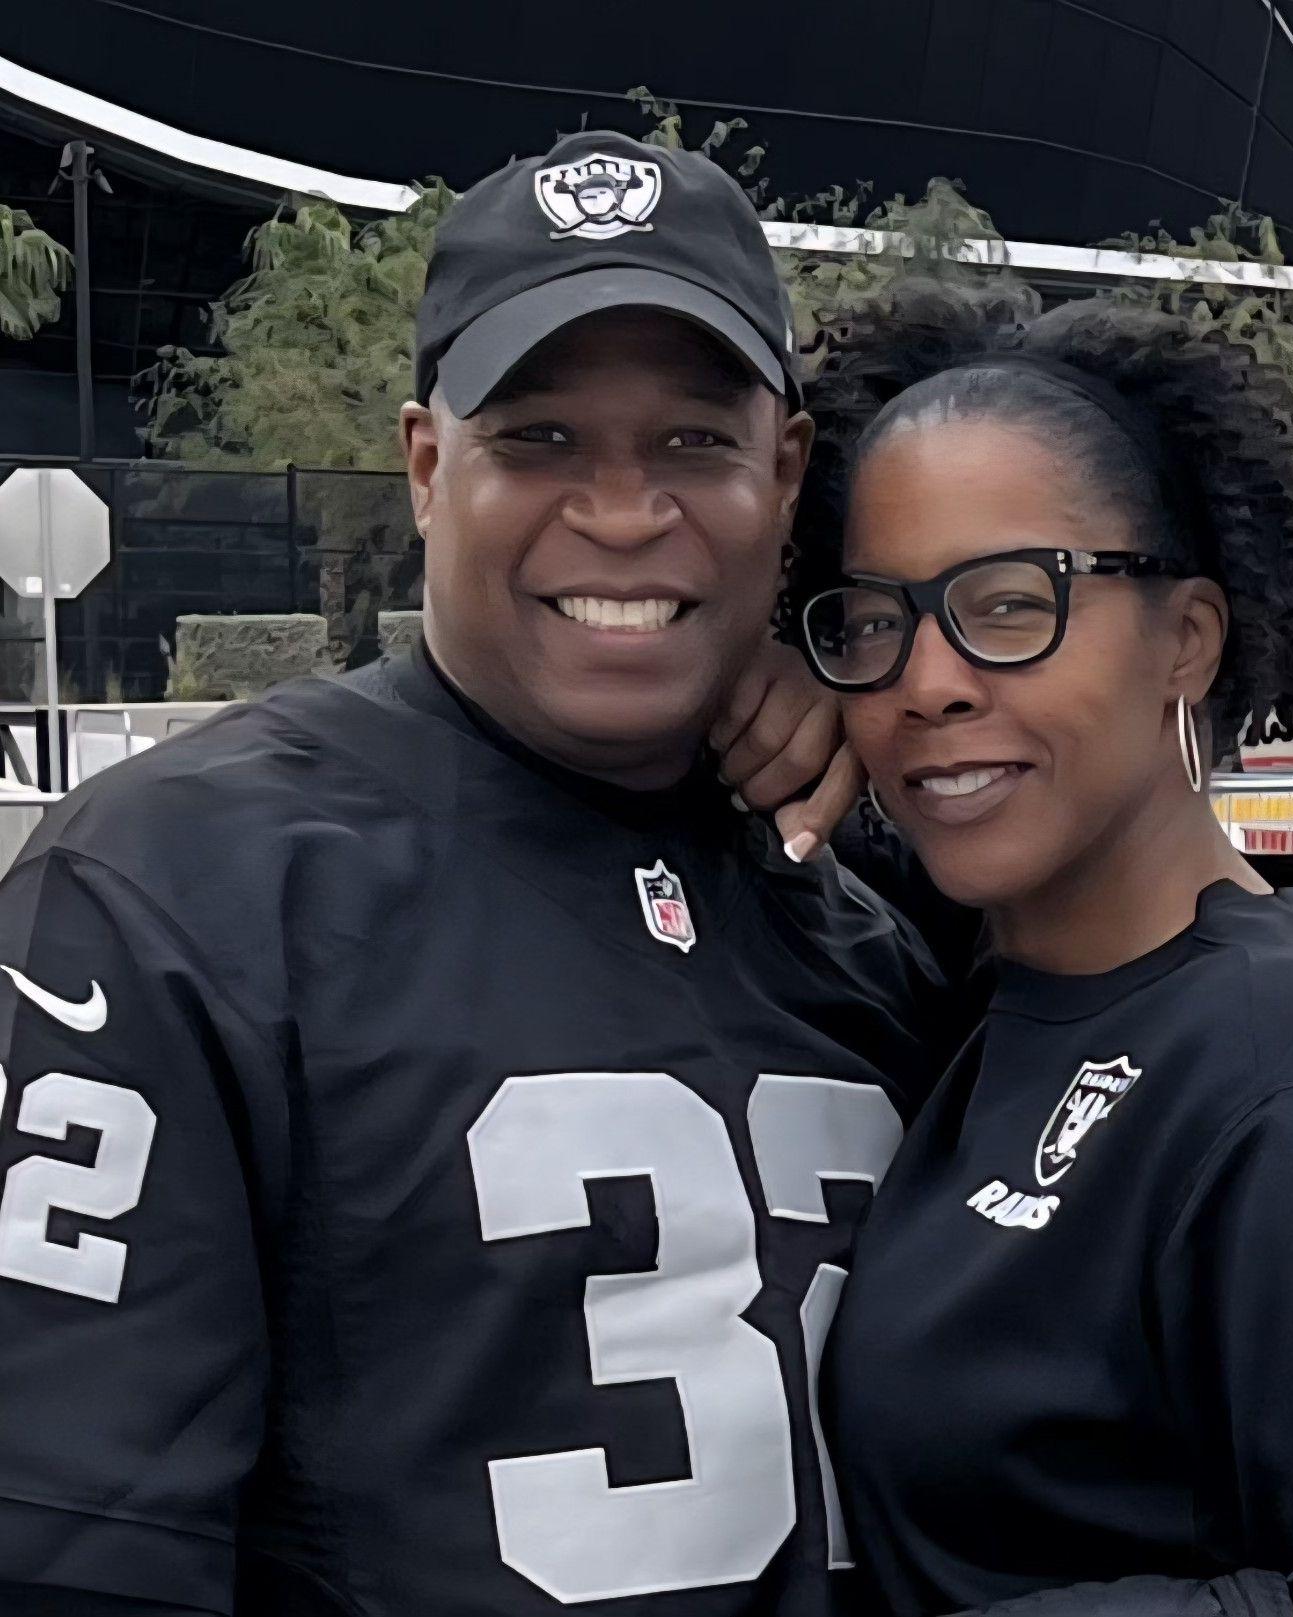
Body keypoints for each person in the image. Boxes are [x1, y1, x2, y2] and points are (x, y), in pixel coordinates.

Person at [0, 132, 951, 1616]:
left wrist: (883, 744)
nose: (623, 512)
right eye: (541, 438)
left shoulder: (873, 902)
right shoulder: (171, 888)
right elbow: (75, 1555)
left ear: (784, 475)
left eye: (693, 444)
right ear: (429, 466)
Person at [797, 288, 1293, 1616]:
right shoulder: (1001, 983)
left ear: (1188, 639)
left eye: (1009, 603)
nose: (928, 682)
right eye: (873, 621)